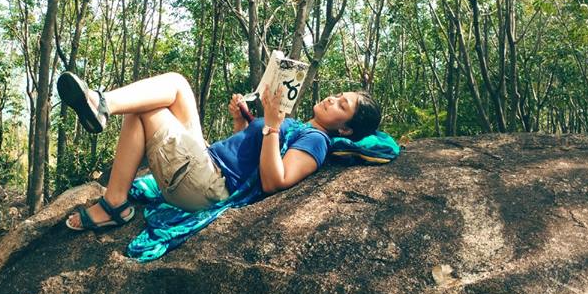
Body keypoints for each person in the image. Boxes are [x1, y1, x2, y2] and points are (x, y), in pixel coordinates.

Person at [56, 71, 381, 231]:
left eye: (342, 105)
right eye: (339, 95)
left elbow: (274, 181)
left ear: (346, 130)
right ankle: (101, 103)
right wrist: (242, 122)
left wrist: (271, 124)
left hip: (208, 186)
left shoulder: (317, 140)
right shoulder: (296, 125)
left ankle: (114, 203)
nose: (332, 99)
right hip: (209, 163)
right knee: (177, 85)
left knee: (143, 109)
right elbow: (246, 161)